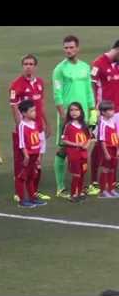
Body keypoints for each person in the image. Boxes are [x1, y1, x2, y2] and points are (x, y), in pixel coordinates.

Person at [52, 35, 96, 198]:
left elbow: (88, 90)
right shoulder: (59, 69)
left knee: (83, 148)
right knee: (64, 148)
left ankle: (80, 185)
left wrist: (92, 110)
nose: (68, 50)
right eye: (66, 47)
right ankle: (61, 187)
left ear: (77, 48)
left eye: (71, 47)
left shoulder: (85, 67)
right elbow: (57, 94)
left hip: (83, 114)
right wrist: (63, 116)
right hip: (67, 115)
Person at [10, 54, 51, 203]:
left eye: (31, 63)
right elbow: (14, 107)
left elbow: (42, 105)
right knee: (23, 164)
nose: (28, 66)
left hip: (39, 128)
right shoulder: (16, 85)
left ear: (35, 66)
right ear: (22, 66)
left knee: (37, 162)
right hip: (27, 132)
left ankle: (34, 192)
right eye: (26, 63)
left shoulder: (40, 82)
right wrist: (20, 125)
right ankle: (20, 194)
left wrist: (46, 123)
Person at [90, 40, 119, 190]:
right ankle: (94, 180)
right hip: (104, 113)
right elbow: (92, 86)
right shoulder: (98, 63)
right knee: (99, 145)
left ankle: (111, 180)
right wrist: (96, 112)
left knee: (115, 145)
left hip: (118, 112)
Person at [15, 100, 47, 208]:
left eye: (34, 110)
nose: (34, 113)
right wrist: (26, 155)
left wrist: (38, 155)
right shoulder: (22, 126)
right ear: (24, 113)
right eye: (32, 111)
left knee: (31, 176)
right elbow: (21, 142)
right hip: (27, 155)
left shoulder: (35, 124)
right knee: (22, 177)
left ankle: (32, 198)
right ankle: (22, 200)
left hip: (35, 154)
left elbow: (37, 140)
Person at [61, 102, 92, 202]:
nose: (74, 112)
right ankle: (73, 194)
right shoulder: (68, 126)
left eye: (76, 110)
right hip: (74, 154)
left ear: (81, 111)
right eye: (71, 110)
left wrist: (87, 144)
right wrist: (77, 144)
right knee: (76, 174)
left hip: (83, 154)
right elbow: (64, 140)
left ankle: (79, 192)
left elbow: (89, 138)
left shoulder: (84, 125)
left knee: (82, 173)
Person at [97, 101, 119, 198]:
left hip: (114, 149)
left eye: (112, 109)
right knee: (105, 169)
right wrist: (106, 153)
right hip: (107, 149)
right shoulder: (102, 124)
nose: (112, 112)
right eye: (109, 110)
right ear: (103, 112)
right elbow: (102, 140)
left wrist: (118, 149)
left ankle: (111, 189)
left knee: (112, 170)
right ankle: (103, 191)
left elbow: (116, 136)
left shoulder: (113, 123)